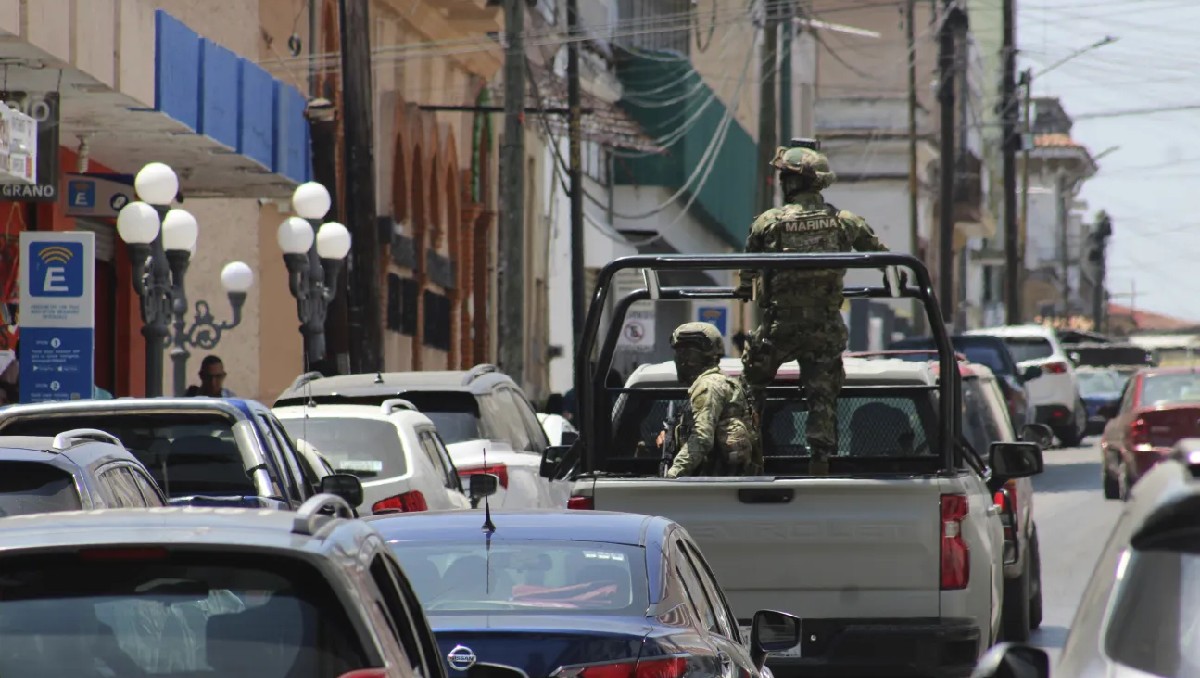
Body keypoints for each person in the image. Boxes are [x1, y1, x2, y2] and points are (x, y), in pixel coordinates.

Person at [736, 138, 890, 476]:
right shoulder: (843, 221)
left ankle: (745, 455)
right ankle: (820, 461)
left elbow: (746, 272)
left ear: (791, 183)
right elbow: (883, 255)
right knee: (822, 395)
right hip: (825, 329)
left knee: (750, 387)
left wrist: (747, 288)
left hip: (779, 327)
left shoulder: (767, 222)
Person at [661, 322, 759, 479]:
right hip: (724, 484)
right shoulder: (723, 382)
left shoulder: (708, 386)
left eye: (682, 352)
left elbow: (702, 438)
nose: (678, 359)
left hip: (713, 484)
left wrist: (672, 475)